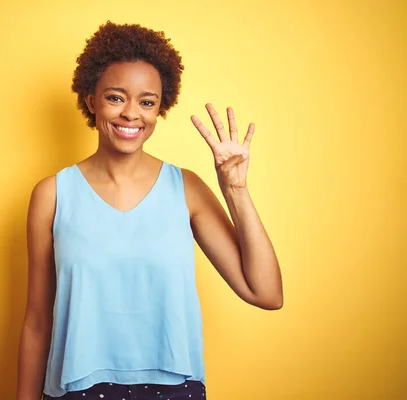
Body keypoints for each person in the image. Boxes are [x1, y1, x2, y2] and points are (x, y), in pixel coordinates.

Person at [17, 21, 283, 400]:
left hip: (174, 390)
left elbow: (266, 293)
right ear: (91, 101)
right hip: (78, 391)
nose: (131, 114)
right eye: (115, 97)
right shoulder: (53, 194)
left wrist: (235, 190)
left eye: (147, 102)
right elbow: (38, 322)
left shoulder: (186, 189)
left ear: (160, 108)